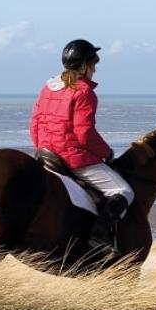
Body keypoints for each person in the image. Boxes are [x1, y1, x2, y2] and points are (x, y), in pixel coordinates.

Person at [29, 39, 134, 257]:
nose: (95, 69)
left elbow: (34, 124)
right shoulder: (84, 91)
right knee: (123, 191)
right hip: (74, 159)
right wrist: (107, 153)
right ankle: (100, 235)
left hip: (46, 155)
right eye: (93, 64)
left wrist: (42, 148)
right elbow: (84, 133)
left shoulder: (48, 87)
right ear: (84, 65)